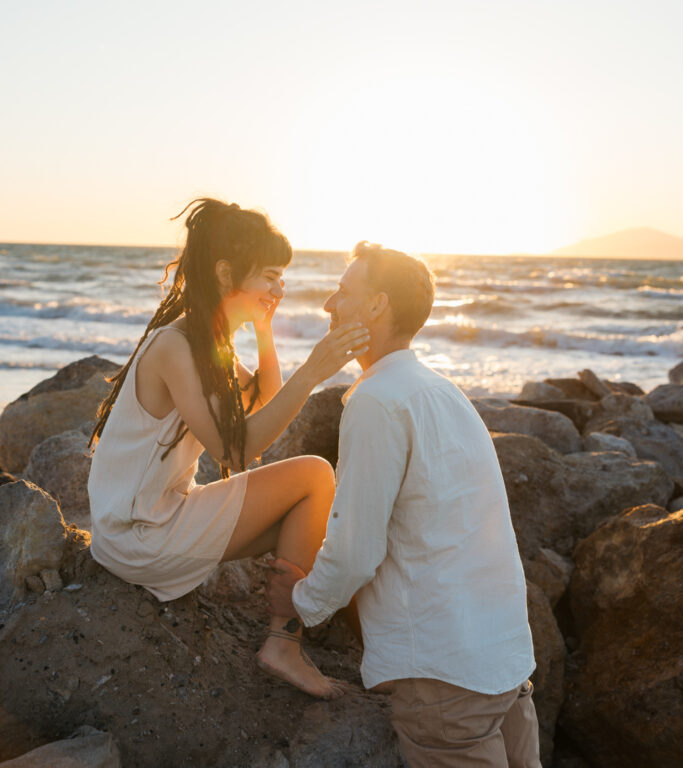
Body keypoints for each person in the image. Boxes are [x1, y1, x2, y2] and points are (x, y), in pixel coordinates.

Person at [267, 242, 541, 767]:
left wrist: (298, 604)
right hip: (504, 661)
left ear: (377, 306)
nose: (328, 304)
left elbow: (356, 550)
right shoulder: (443, 391)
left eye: (343, 292)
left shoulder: (376, 401)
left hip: (445, 680)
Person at [88, 198, 369, 699]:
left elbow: (262, 396)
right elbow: (236, 453)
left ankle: (291, 641)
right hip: (138, 534)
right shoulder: (176, 347)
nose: (278, 288)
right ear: (225, 272)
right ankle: (283, 645)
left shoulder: (206, 341)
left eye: (282, 277)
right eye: (269, 275)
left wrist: (263, 328)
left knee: (304, 518)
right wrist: (314, 371)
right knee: (314, 476)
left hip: (145, 525)